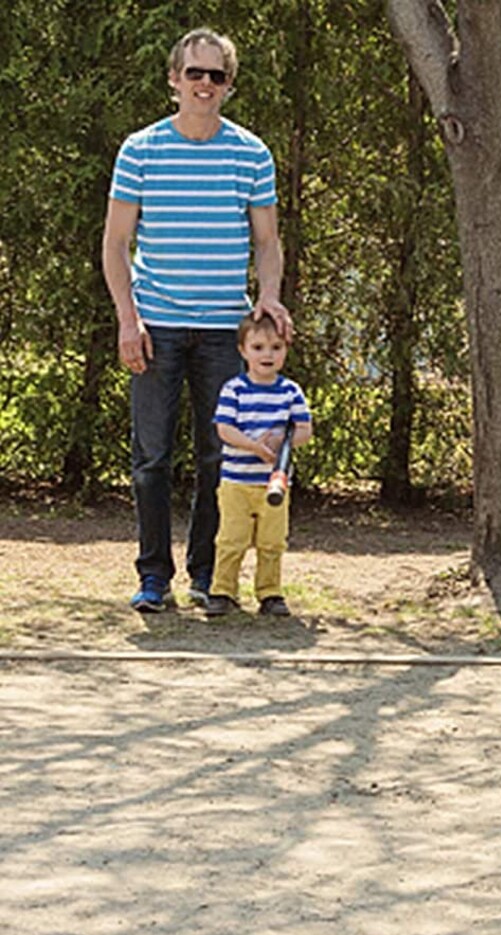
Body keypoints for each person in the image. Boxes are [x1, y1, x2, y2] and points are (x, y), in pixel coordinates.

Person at [102, 28, 292, 614]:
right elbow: (114, 244)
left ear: (228, 85)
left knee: (220, 458)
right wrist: (127, 320)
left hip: (222, 329)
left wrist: (270, 297)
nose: (204, 84)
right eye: (195, 74)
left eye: (216, 75)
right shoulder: (141, 150)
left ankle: (210, 576)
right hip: (155, 326)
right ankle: (153, 576)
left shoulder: (250, 153)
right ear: (174, 80)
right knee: (152, 458)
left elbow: (267, 241)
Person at [204, 316, 312, 618]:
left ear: (285, 350)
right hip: (235, 483)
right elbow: (224, 429)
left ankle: (270, 593)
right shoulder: (234, 389)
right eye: (258, 347)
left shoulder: (290, 392)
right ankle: (222, 591)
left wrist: (280, 440)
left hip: (273, 485)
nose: (268, 355)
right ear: (243, 350)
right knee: (231, 539)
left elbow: (304, 430)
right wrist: (255, 447)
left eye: (276, 347)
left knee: (272, 542)